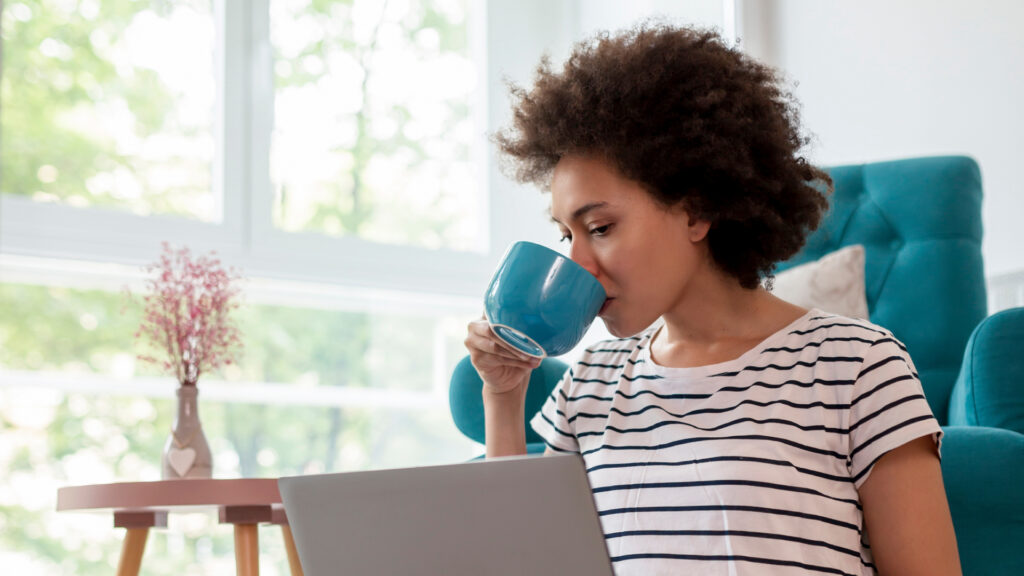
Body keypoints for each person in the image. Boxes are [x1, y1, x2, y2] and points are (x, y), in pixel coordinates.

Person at [463, 22, 961, 576]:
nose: (576, 261)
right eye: (566, 235)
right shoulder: (593, 382)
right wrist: (503, 399)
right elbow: (524, 559)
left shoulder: (857, 364)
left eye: (600, 227)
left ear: (696, 211)